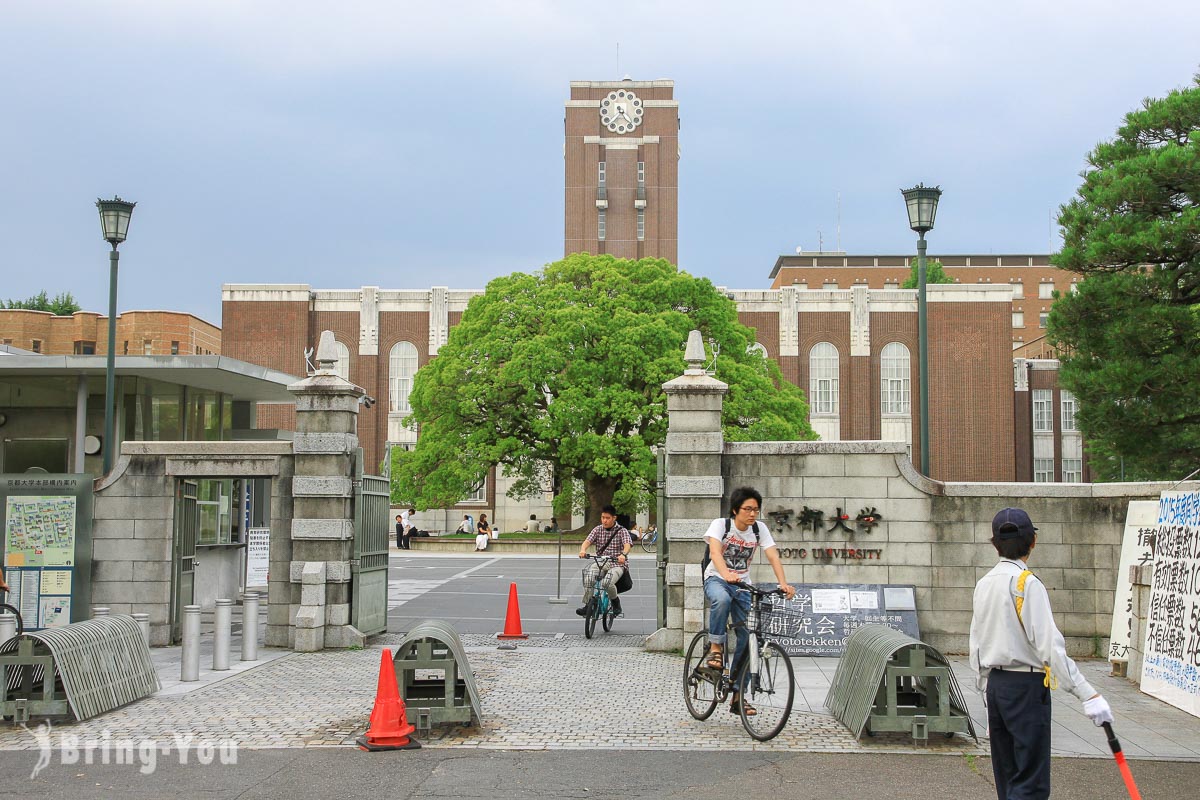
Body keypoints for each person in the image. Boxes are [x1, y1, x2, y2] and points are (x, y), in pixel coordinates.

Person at [969, 507, 1113, 800]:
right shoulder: (1027, 584)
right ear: (1032, 541)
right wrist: (1088, 695)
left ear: (995, 543)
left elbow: (977, 645)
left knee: (1008, 780)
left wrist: (986, 695)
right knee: (1030, 784)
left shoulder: (984, 584)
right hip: (1026, 689)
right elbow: (1050, 647)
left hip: (997, 687)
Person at [703, 486, 795, 718]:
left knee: (749, 635)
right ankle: (715, 647)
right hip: (717, 578)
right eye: (747, 509)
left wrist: (783, 583)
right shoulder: (721, 525)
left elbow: (773, 555)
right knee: (722, 599)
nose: (753, 514)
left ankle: (737, 695)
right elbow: (715, 553)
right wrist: (726, 574)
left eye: (756, 509)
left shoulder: (758, 529)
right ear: (735, 510)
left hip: (743, 584)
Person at [577, 505, 631, 618]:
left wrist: (623, 554)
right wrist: (583, 550)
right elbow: (587, 541)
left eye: (607, 518)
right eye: (602, 517)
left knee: (607, 583)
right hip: (601, 562)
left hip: (617, 563)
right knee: (588, 578)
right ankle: (588, 605)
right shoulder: (597, 529)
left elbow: (627, 545)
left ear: (614, 518)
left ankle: (615, 602)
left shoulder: (622, 531)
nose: (604, 520)